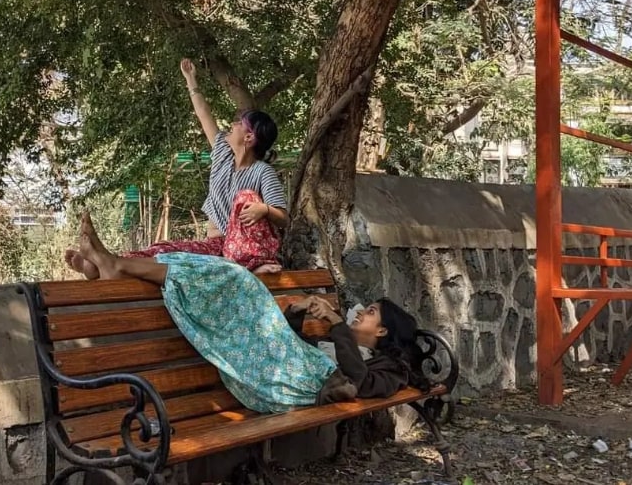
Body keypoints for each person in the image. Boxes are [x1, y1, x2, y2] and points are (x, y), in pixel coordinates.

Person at [73, 212, 430, 413]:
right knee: (231, 277)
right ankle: (119, 267)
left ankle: (120, 267)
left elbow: (360, 383)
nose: (358, 314)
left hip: (282, 385)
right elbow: (291, 344)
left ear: (382, 331)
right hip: (272, 367)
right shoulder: (343, 345)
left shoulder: (389, 370)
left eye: (369, 312)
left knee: (235, 277)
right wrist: (299, 310)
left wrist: (336, 324)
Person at [65, 58, 288, 277]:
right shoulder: (222, 154)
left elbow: (284, 217)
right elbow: (204, 115)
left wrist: (265, 210)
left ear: (249, 137)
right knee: (163, 249)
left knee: (166, 255)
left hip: (232, 251)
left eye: (240, 123)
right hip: (212, 244)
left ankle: (103, 263)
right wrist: (191, 80)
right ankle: (99, 263)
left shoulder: (262, 172)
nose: (233, 124)